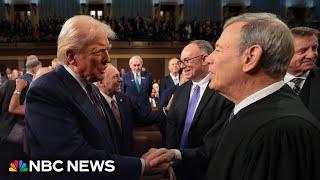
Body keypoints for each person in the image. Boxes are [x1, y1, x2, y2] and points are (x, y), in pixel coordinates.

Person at [25, 15, 165, 180]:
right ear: (71, 57)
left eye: (108, 50)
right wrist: (140, 166)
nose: (108, 59)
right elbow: (74, 159)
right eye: (99, 52)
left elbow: (109, 146)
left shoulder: (92, 89)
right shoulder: (46, 91)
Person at [199, 13, 320, 180]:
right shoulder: (248, 109)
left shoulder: (282, 131)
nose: (208, 59)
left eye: (218, 49)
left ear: (251, 57)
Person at [145, 40, 233, 180]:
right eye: (181, 62)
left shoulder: (224, 92)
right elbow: (171, 127)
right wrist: (171, 163)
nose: (182, 66)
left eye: (186, 60)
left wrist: (177, 155)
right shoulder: (180, 91)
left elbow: (217, 142)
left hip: (207, 170)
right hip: (177, 167)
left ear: (204, 59)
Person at [97, 64, 166, 156]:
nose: (121, 80)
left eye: (119, 76)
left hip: (127, 157)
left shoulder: (125, 99)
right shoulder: (93, 102)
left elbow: (143, 119)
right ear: (101, 82)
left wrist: (166, 110)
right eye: (115, 77)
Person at [285, 26, 320, 121]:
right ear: (284, 52)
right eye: (303, 50)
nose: (312, 55)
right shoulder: (265, 80)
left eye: (314, 48)